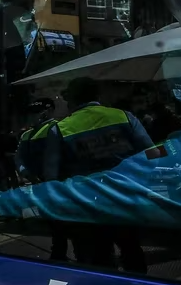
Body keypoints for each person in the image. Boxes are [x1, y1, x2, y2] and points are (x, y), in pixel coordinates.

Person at [40, 77, 153, 273]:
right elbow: (152, 153)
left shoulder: (60, 129)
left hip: (87, 202)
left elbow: (51, 175)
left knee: (98, 255)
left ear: (72, 100)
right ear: (97, 95)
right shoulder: (123, 117)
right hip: (124, 195)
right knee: (131, 247)